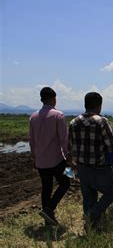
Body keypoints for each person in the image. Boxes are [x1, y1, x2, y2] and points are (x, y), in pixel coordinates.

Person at [69, 92, 113, 229]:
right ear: (99, 105)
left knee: (89, 197)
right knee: (112, 192)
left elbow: (71, 145)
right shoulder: (101, 121)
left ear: (85, 104)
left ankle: (90, 227)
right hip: (100, 167)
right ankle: (91, 216)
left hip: (82, 167)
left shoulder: (73, 122)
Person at [29, 87, 71, 226]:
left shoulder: (33, 116)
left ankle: (47, 220)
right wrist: (68, 157)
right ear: (53, 98)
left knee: (46, 188)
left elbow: (32, 140)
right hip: (57, 160)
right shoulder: (58, 115)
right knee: (66, 183)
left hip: (41, 161)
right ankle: (49, 209)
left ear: (42, 99)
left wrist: (34, 157)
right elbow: (63, 139)